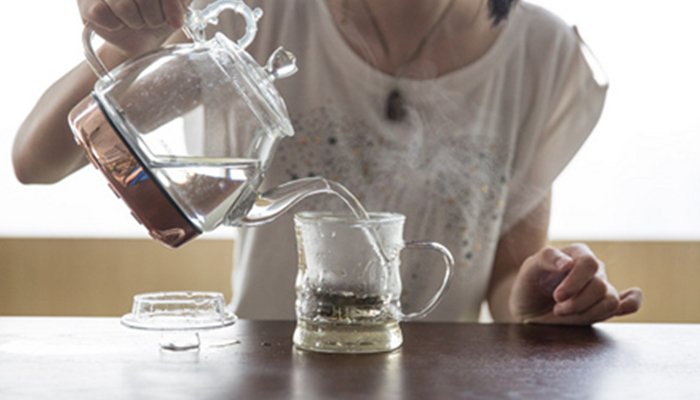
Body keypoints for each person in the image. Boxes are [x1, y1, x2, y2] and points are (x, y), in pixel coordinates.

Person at [13, 0, 642, 324]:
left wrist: (541, 299)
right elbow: (36, 161)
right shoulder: (253, 18)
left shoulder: (545, 56)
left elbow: (506, 285)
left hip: (435, 382)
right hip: (264, 374)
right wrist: (139, 43)